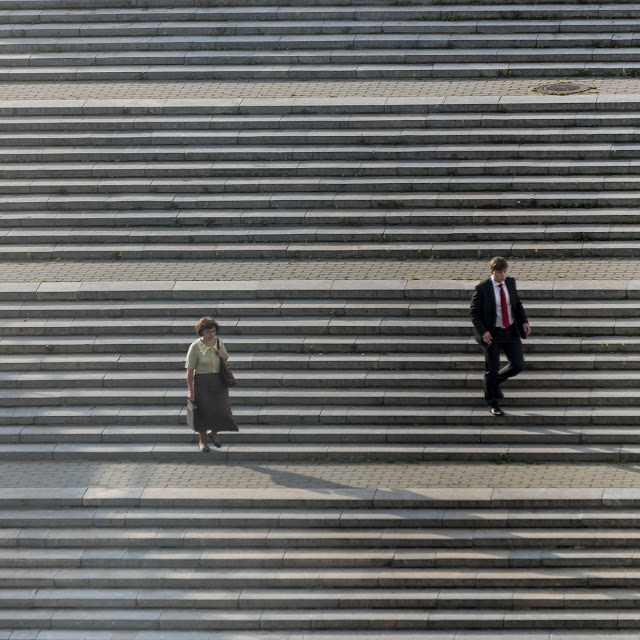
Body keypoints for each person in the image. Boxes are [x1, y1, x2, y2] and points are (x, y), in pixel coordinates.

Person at [469, 256, 531, 416]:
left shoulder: (510, 282)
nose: (502, 275)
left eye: (504, 272)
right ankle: (493, 403)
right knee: (492, 369)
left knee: (518, 365)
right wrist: (484, 331)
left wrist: (524, 321)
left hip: (510, 330)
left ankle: (493, 384)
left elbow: (516, 303)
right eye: (499, 273)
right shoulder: (483, 288)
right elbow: (474, 313)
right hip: (492, 334)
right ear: (492, 272)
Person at [185, 316, 238, 451]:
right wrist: (191, 391)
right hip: (202, 382)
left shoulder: (219, 342)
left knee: (222, 410)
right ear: (201, 331)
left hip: (218, 381)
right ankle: (202, 441)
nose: (211, 334)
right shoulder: (195, 347)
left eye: (213, 331)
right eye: (208, 331)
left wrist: (222, 355)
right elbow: (190, 371)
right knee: (203, 412)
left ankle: (213, 433)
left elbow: (226, 357)